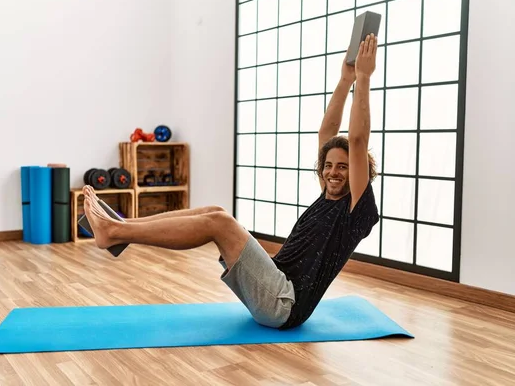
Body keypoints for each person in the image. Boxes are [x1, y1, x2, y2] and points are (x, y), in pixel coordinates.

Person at [82, 34, 380, 330]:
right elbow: (326, 132)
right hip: (272, 282)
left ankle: (114, 231)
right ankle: (122, 229)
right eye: (328, 166)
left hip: (283, 303)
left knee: (220, 223)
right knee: (213, 211)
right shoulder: (326, 196)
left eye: (343, 167)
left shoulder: (356, 211)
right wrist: (345, 80)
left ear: (357, 173)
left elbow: (356, 140)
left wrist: (364, 78)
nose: (332, 172)